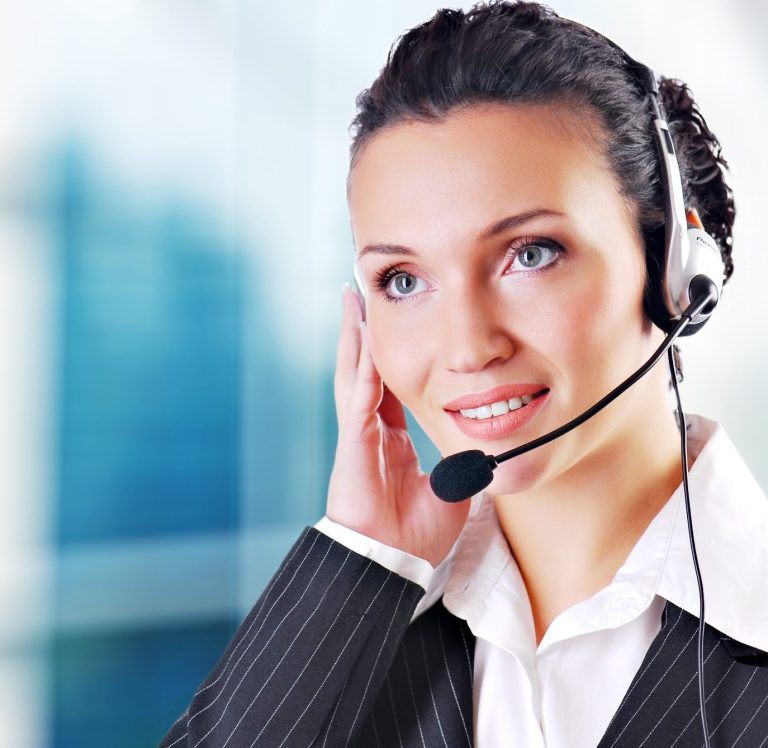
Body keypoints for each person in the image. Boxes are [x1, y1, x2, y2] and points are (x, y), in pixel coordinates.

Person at [160, 2, 768, 746]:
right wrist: (361, 557)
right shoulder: (354, 634)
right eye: (404, 281)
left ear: (677, 270)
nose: (468, 348)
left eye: (531, 253)